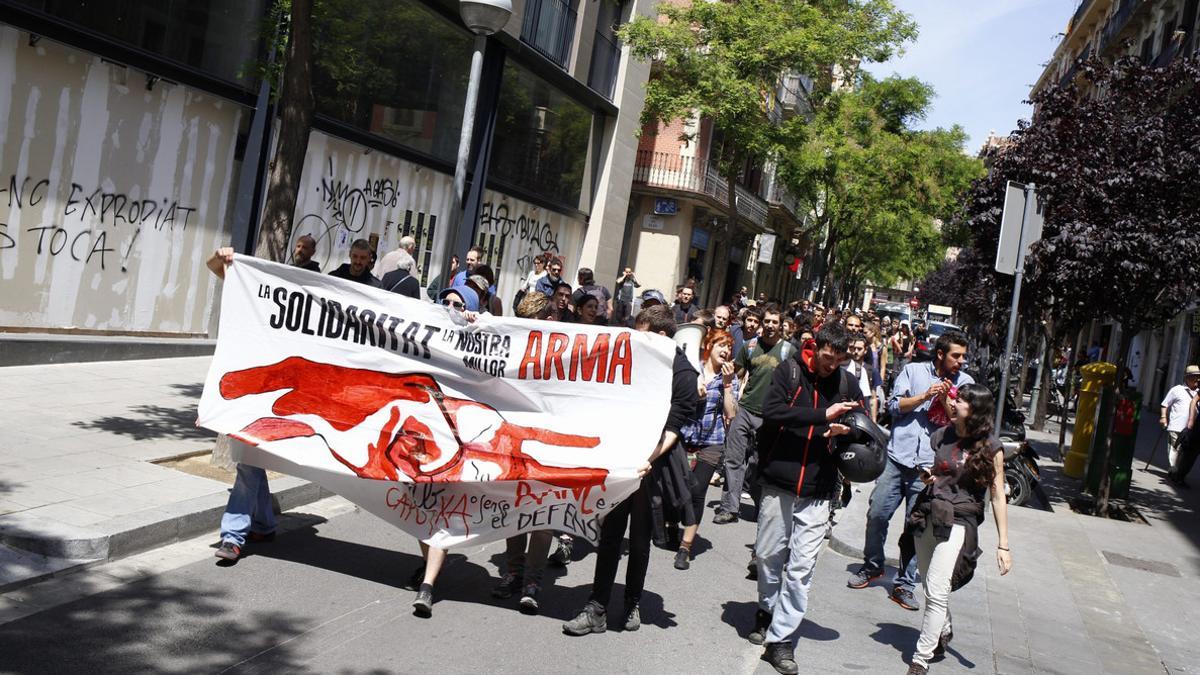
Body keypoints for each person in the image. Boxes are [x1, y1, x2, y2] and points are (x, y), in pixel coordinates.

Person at [563, 305, 699, 635]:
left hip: (652, 465)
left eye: (641, 333)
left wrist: (647, 458)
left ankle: (632, 602)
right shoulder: (631, 358)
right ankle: (596, 607)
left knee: (640, 538)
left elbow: (675, 425)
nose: (633, 339)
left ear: (660, 336)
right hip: (623, 458)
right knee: (610, 533)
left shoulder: (682, 372)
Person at [751, 324, 860, 674]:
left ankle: (780, 640)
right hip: (779, 481)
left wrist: (847, 430)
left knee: (800, 570)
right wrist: (820, 416)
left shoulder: (846, 383)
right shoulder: (790, 370)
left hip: (818, 489)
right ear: (820, 346)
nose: (833, 365)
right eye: (829, 357)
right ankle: (767, 609)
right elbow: (773, 412)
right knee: (768, 556)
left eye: (841, 360)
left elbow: (862, 424)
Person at [849, 331, 973, 612]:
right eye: (956, 355)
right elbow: (894, 405)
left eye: (964, 356)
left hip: (930, 467)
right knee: (877, 513)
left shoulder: (965, 384)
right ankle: (872, 566)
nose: (961, 361)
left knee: (915, 528)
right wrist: (925, 395)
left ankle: (905, 584)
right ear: (941, 354)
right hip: (897, 458)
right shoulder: (913, 370)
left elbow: (960, 422)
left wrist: (944, 400)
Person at [903, 384, 1011, 675]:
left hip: (960, 519)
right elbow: (941, 471)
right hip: (931, 512)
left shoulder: (991, 447)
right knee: (927, 584)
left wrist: (1004, 544)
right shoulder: (943, 435)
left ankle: (920, 658)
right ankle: (945, 628)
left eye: (960, 400)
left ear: (974, 410)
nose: (953, 402)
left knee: (937, 590)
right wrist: (930, 477)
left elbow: (998, 495)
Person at [205, 247, 282, 562]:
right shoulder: (248, 294)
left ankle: (233, 536)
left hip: (270, 395)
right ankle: (262, 523)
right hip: (243, 389)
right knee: (250, 462)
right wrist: (220, 256)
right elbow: (213, 267)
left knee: (249, 463)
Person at [492, 294, 562, 613]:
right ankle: (514, 572)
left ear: (548, 322)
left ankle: (532, 581)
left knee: (544, 514)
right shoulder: (512, 344)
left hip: (550, 445)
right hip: (515, 443)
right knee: (514, 512)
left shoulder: (571, 349)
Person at [714, 304, 793, 525]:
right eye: (766, 321)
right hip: (745, 410)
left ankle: (761, 509)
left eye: (774, 322)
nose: (769, 325)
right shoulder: (750, 347)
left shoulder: (788, 351)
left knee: (759, 464)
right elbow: (737, 371)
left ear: (781, 326)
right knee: (733, 459)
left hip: (770, 417)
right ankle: (729, 508)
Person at [675, 328, 740, 570]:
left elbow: (731, 413)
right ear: (709, 347)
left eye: (728, 347)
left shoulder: (728, 376)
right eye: (720, 345)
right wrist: (694, 386)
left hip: (712, 438)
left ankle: (685, 547)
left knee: (698, 490)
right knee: (676, 486)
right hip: (683, 435)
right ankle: (673, 523)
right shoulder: (694, 367)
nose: (725, 350)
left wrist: (726, 385)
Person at [1161, 366, 1199, 484]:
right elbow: (1165, 404)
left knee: (1185, 451)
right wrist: (1163, 417)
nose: (1197, 380)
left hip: (1191, 429)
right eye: (1195, 377)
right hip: (1176, 426)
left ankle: (1178, 472)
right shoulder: (1177, 389)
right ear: (1187, 377)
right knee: (1175, 448)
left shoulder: (1199, 392)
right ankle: (1174, 470)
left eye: (1199, 378)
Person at [846, 335, 877, 422]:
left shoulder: (866, 371)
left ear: (865, 350)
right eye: (853, 348)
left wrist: (873, 420)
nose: (855, 351)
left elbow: (870, 399)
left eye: (859, 349)